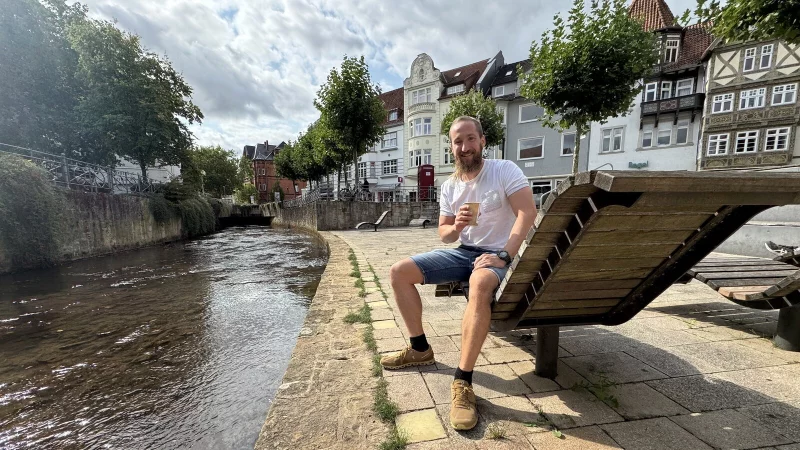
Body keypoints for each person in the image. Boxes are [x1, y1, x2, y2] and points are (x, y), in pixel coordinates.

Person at [380, 116, 537, 431]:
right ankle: (420, 349)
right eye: (457, 141)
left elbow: (527, 212)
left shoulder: (504, 170)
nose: (464, 147)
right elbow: (445, 236)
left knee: (479, 282)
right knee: (399, 272)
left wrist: (504, 254)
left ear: (482, 141)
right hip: (463, 252)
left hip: (498, 255)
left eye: (469, 139)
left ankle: (462, 383)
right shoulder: (450, 186)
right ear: (451, 146)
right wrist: (458, 225)